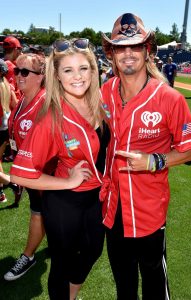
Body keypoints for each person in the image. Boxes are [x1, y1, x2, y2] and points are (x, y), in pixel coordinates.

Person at [100, 12, 191, 300]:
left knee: (154, 283)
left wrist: (155, 160)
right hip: (112, 209)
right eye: (120, 47)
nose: (128, 53)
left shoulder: (169, 98)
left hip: (149, 211)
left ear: (147, 51)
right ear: (112, 53)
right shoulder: (105, 92)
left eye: (135, 46)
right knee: (124, 283)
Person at [9, 38, 110, 300]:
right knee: (61, 265)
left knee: (93, 251)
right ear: (57, 75)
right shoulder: (51, 115)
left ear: (93, 70)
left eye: (83, 68)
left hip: (95, 197)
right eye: (68, 70)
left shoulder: (98, 102)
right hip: (65, 202)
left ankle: (71, 294)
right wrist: (66, 182)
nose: (77, 76)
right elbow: (20, 173)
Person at [3, 53, 47, 281]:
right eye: (16, 71)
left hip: (45, 175)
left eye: (24, 72)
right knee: (44, 214)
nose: (17, 75)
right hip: (28, 173)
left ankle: (28, 257)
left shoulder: (46, 102)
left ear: (40, 77)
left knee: (39, 213)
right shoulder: (23, 99)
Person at [0, 59, 18, 203]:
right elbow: (15, 104)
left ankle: (12, 183)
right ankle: (0, 193)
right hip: (5, 127)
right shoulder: (6, 84)